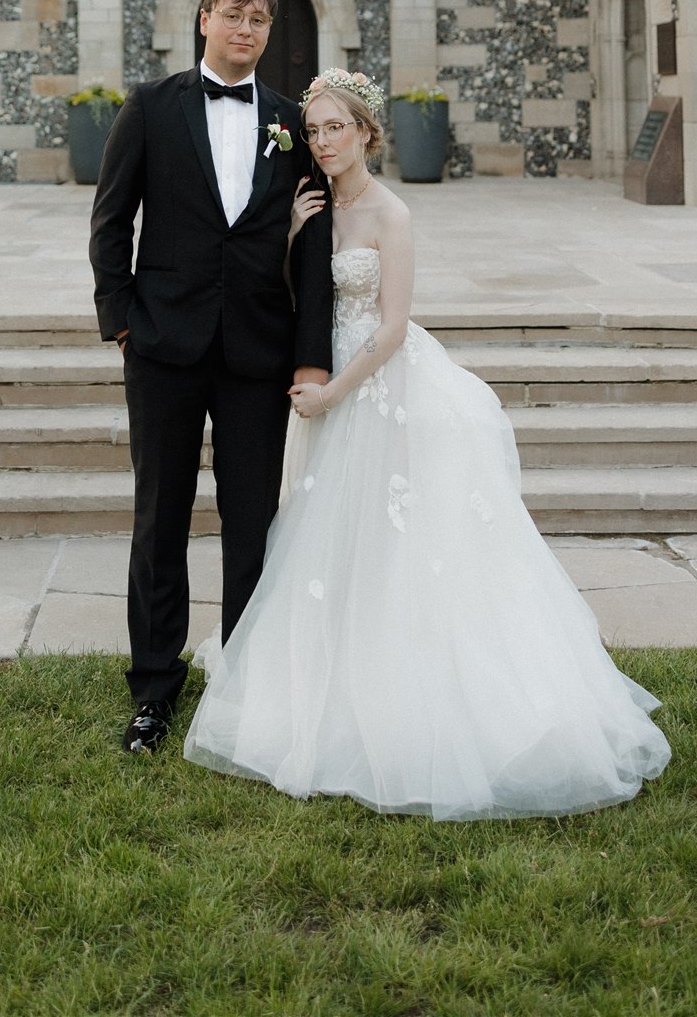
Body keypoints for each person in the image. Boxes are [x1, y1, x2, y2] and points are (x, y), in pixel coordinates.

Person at [184, 67, 672, 819]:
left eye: (334, 128)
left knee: (389, 539)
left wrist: (331, 394)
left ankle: (401, 685)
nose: (322, 142)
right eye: (312, 131)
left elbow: (389, 328)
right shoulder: (307, 205)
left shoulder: (390, 216)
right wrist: (287, 236)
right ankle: (329, 669)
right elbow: (287, 295)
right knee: (327, 540)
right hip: (319, 382)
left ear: (366, 133)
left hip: (374, 391)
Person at [89, 0, 334, 756]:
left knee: (251, 524)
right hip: (162, 346)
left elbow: (318, 250)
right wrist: (120, 323)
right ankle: (154, 693)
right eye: (233, 15)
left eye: (259, 19)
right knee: (158, 519)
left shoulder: (293, 124)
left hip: (257, 350)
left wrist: (310, 358)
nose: (247, 28)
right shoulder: (150, 108)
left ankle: (246, 684)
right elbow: (110, 222)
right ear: (204, 20)